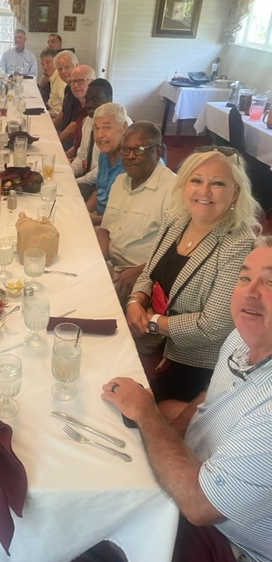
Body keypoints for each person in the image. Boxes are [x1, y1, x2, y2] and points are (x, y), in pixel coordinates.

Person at [102, 238, 272, 562]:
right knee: (153, 417)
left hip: (227, 540)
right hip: (206, 470)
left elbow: (199, 506)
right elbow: (212, 393)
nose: (250, 292)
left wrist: (146, 414)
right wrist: (169, 428)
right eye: (245, 277)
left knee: (103, 521)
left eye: (271, 282)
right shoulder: (242, 336)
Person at [127, 146, 260, 402]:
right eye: (196, 180)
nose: (204, 191)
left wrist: (151, 322)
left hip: (193, 364)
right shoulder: (176, 220)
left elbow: (211, 327)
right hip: (150, 339)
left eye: (217, 183)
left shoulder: (239, 244)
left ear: (235, 193)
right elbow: (148, 274)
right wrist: (135, 301)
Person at [97, 121, 176, 305]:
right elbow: (105, 230)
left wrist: (142, 272)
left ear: (157, 152)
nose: (131, 156)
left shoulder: (173, 190)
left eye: (140, 149)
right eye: (125, 149)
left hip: (144, 278)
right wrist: (97, 261)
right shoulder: (120, 181)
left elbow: (175, 254)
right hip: (112, 267)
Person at [85, 102, 128, 226]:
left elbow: (128, 216)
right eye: (96, 128)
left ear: (124, 127)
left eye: (107, 128)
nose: (100, 135)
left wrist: (95, 220)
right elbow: (100, 191)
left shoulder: (131, 162)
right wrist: (83, 212)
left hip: (115, 227)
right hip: (100, 219)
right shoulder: (104, 155)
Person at [71, 79, 113, 181]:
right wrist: (70, 172)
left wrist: (77, 181)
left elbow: (102, 170)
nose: (88, 104)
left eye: (95, 99)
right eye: (87, 99)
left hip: (103, 182)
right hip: (87, 177)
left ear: (109, 100)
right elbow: (81, 156)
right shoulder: (88, 120)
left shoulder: (117, 126)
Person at [65, 64, 96, 154]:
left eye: (81, 81)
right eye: (72, 81)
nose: (75, 85)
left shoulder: (94, 110)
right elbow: (80, 144)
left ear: (93, 82)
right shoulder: (80, 105)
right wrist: (66, 155)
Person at [52, 50, 80, 143]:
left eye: (67, 67)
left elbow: (74, 127)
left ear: (76, 66)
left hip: (72, 140)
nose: (63, 71)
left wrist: (56, 141)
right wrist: (51, 127)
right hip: (63, 131)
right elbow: (63, 112)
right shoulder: (68, 87)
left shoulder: (80, 91)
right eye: (60, 69)